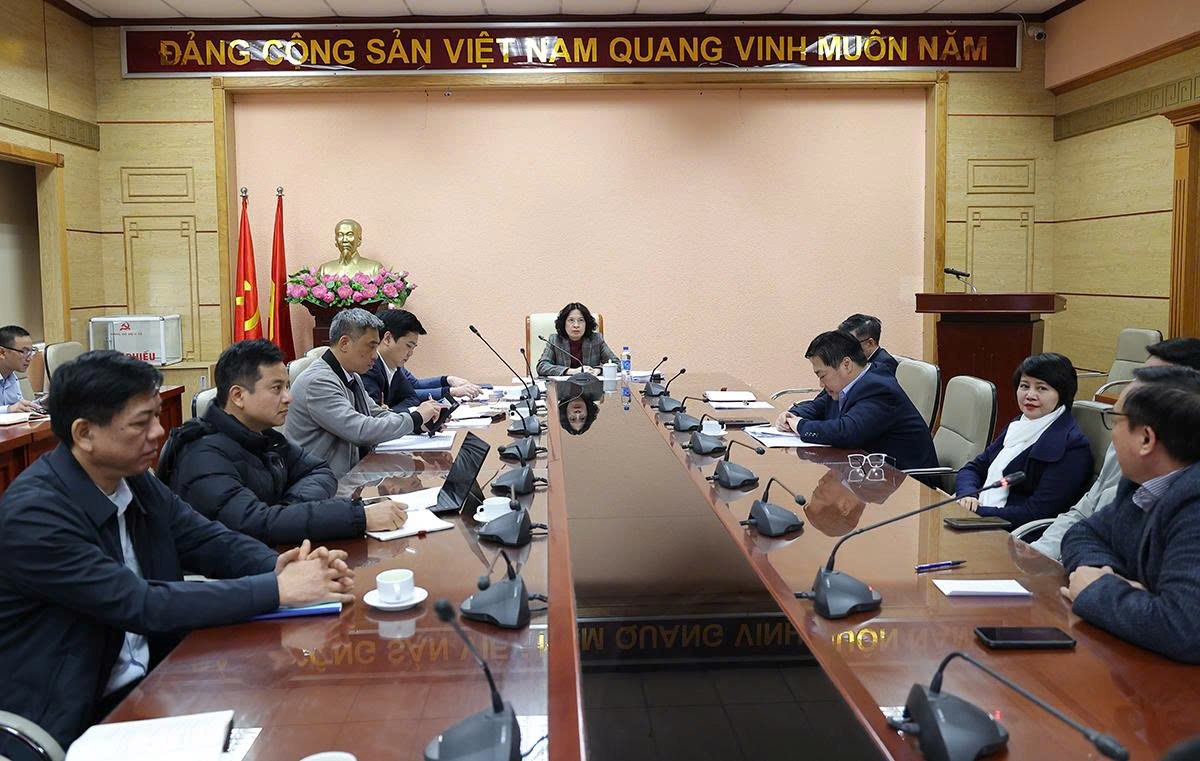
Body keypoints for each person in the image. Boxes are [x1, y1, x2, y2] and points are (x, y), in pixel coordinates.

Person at [0, 351, 355, 756]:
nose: (158, 432)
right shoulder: (35, 514)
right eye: (142, 422)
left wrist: (282, 565)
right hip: (73, 718)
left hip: (157, 680)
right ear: (84, 433)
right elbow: (139, 602)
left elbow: (204, 538)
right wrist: (278, 589)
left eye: (156, 415)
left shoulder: (132, 479)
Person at [157, 340, 408, 545]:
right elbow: (255, 524)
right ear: (238, 395)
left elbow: (319, 470)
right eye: (277, 389)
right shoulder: (202, 455)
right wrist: (358, 517)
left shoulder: (263, 436)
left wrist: (286, 511)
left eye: (287, 386)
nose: (289, 398)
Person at [1060, 365, 1200, 663]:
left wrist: (1098, 590)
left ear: (1146, 439)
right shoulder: (1141, 483)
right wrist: (1103, 572)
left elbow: (1185, 628)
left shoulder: (1194, 505)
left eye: (1115, 421)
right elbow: (1083, 533)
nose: (1111, 436)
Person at [1031, 337, 1200, 560]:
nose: (1133, 388)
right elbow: (1084, 523)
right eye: (1139, 377)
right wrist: (1036, 556)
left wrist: (1098, 574)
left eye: (1150, 381)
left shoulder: (1188, 500)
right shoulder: (1129, 466)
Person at [286, 309, 445, 478]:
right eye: (371, 346)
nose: (376, 356)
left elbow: (376, 414)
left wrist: (419, 425)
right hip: (319, 483)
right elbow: (361, 430)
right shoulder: (318, 382)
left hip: (348, 475)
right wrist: (415, 418)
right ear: (345, 343)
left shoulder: (352, 376)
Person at [955, 353, 1093, 528]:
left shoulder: (1072, 446)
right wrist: (967, 495)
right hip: (980, 518)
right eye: (1024, 386)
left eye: (1041, 388)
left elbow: (1036, 513)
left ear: (1062, 393)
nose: (1030, 395)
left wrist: (975, 512)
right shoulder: (1019, 424)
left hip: (1016, 535)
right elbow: (973, 468)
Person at [774, 331, 937, 470]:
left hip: (907, 482)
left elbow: (846, 432)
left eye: (822, 375)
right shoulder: (844, 385)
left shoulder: (879, 389)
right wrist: (792, 415)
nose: (821, 384)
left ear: (846, 364)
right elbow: (818, 406)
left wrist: (800, 425)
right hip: (868, 473)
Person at [361, 309, 480, 407]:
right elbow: (375, 418)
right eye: (408, 346)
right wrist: (410, 417)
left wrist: (447, 380)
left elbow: (412, 397)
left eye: (413, 348)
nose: (410, 353)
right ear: (387, 339)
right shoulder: (369, 368)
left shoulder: (394, 366)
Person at [536, 302, 618, 377]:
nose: (576, 325)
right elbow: (542, 366)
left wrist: (598, 370)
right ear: (564, 323)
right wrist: (571, 371)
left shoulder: (596, 339)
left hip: (591, 387)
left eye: (581, 320)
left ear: (587, 323)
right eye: (571, 320)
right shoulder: (555, 340)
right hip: (563, 387)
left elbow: (617, 364)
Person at [0, 325, 40, 414]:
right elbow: (12, 408)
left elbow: (18, 407)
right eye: (24, 352)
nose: (30, 358)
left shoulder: (11, 376)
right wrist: (8, 409)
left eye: (31, 351)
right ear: (2, 352)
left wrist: (41, 403)